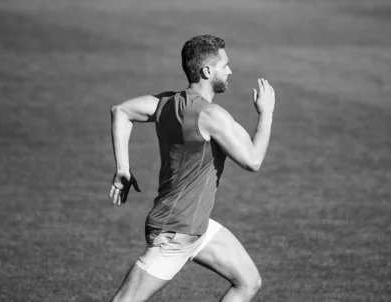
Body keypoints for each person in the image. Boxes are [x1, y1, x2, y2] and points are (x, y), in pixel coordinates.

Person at [107, 34, 275, 302]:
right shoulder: (212, 116)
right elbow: (252, 160)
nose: (230, 70)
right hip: (175, 232)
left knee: (248, 281)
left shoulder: (167, 103)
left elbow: (121, 111)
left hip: (195, 226)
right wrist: (266, 114)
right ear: (207, 71)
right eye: (225, 65)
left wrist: (122, 169)